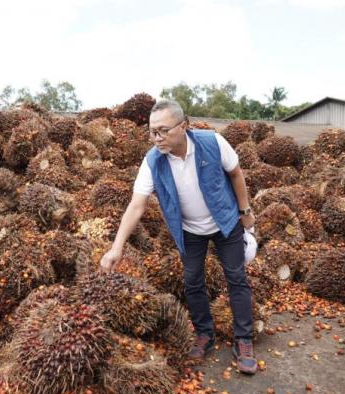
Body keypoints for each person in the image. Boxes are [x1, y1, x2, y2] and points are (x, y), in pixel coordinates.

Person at [100, 99, 258, 374]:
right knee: (192, 280)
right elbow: (136, 205)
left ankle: (243, 339)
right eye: (152, 132)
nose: (156, 138)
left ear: (183, 126)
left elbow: (235, 174)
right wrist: (116, 248)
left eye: (163, 130)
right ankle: (204, 333)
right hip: (189, 230)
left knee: (236, 277)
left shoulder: (213, 142)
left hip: (226, 221)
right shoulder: (152, 161)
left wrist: (245, 211)